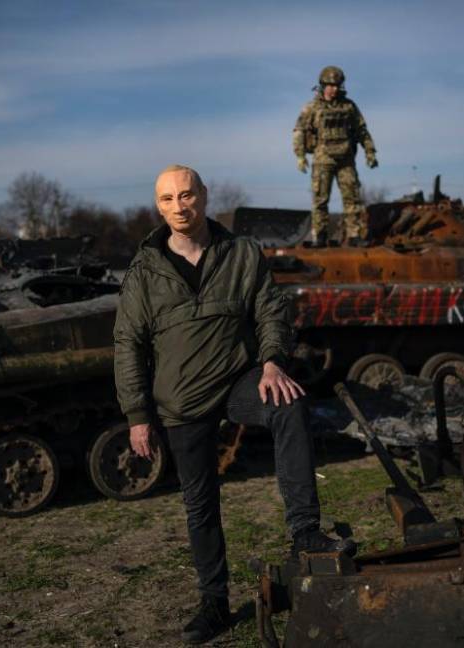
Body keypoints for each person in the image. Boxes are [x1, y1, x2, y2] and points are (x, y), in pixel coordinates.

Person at [114, 165, 355, 644]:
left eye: (186, 195)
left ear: (203, 196)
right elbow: (128, 343)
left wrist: (270, 362)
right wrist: (138, 416)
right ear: (158, 207)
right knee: (200, 504)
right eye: (167, 199)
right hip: (182, 399)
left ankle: (305, 529)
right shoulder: (144, 272)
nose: (179, 207)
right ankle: (214, 603)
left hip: (239, 379)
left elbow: (270, 309)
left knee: (288, 405)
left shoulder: (241, 253)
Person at [293, 65, 378, 247]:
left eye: (337, 85)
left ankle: (354, 235)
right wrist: (300, 156)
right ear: (323, 85)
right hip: (323, 158)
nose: (334, 89)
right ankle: (320, 236)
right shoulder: (312, 107)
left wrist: (370, 152)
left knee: (352, 198)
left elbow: (362, 131)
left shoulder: (349, 106)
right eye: (330, 85)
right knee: (320, 199)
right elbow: (299, 131)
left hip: (346, 159)